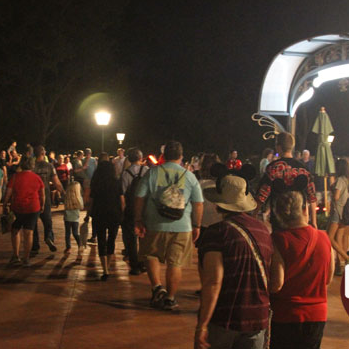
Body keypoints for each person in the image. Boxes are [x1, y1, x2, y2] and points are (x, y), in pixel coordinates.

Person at [195, 174, 272, 349]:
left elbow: (213, 282)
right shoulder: (263, 230)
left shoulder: (217, 233)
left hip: (226, 317)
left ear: (218, 205)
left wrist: (202, 324)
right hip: (258, 317)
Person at [135, 140, 204, 310]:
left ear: (164, 156)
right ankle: (170, 298)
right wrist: (197, 225)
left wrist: (138, 219)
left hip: (153, 224)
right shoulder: (189, 176)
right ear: (181, 156)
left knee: (150, 255)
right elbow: (198, 203)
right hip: (182, 226)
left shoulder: (151, 173)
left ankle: (157, 287)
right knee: (175, 263)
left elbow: (139, 197)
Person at [269, 191, 334, 349]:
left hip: (286, 313)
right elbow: (328, 279)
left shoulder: (278, 240)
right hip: (317, 314)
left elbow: (277, 283)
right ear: (305, 210)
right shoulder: (324, 238)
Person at [255, 132, 318, 228]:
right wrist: (314, 221)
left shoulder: (273, 168)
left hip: (279, 220)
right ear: (292, 146)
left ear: (278, 147)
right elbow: (312, 197)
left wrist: (253, 216)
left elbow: (261, 195)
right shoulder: (304, 169)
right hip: (300, 221)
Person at [3, 157, 44, 266]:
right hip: (33, 207)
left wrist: (5, 204)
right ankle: (26, 258)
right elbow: (42, 193)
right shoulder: (37, 178)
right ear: (32, 165)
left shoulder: (15, 177)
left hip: (18, 207)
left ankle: (16, 255)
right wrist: (42, 205)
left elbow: (8, 192)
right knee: (28, 232)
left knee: (15, 230)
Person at [86, 161, 124, 281]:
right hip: (114, 214)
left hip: (99, 214)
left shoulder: (96, 183)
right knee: (111, 240)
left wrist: (88, 215)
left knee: (101, 241)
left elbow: (91, 201)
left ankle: (104, 270)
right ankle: (108, 265)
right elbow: (122, 201)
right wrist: (123, 214)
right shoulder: (117, 182)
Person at [120, 148, 148, 275]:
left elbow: (123, 192)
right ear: (141, 158)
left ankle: (134, 265)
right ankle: (144, 263)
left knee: (131, 237)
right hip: (145, 208)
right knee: (144, 237)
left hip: (131, 208)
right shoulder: (147, 171)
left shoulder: (126, 173)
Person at [32, 145, 63, 252]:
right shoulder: (49, 166)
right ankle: (49, 237)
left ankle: (35, 245)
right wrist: (63, 192)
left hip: (32, 197)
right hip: (45, 196)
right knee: (47, 220)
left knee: (33, 222)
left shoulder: (31, 166)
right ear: (43, 153)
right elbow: (56, 182)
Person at [329, 158, 349, 275]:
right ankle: (340, 264)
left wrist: (332, 189)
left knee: (329, 237)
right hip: (345, 212)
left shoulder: (340, 180)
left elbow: (336, 197)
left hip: (337, 211)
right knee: (339, 238)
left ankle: (346, 258)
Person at [63, 180, 83, 255]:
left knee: (67, 233)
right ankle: (80, 245)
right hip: (75, 219)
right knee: (75, 233)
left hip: (67, 218)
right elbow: (82, 206)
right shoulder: (79, 198)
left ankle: (68, 247)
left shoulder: (66, 197)